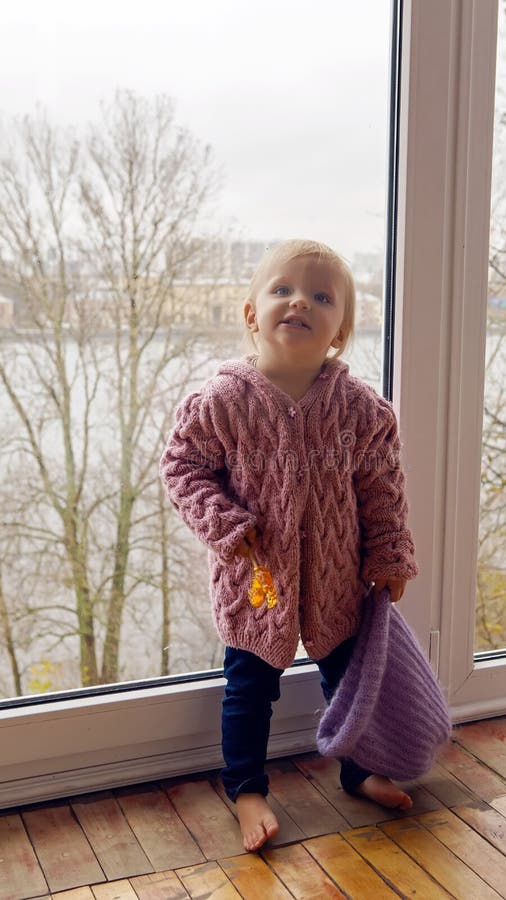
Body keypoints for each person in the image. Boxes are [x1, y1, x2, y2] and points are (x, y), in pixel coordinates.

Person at [159, 239, 418, 851]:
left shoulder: (361, 411)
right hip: (256, 581)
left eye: (321, 296)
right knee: (249, 691)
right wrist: (223, 522)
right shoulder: (223, 401)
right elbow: (182, 467)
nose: (299, 300)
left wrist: (388, 554)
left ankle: (359, 769)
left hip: (337, 580)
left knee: (352, 687)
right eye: (282, 289)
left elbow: (382, 489)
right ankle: (247, 789)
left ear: (338, 332)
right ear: (252, 314)